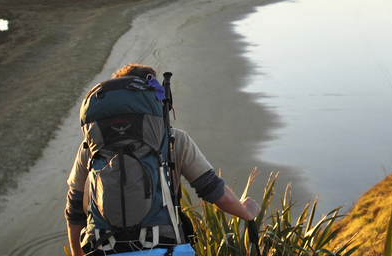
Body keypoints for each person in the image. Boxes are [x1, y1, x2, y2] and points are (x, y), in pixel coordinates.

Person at [66, 63, 261, 256]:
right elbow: (213, 190)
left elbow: (75, 209)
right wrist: (246, 212)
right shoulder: (173, 139)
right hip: (166, 248)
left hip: (103, 250)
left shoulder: (90, 147)